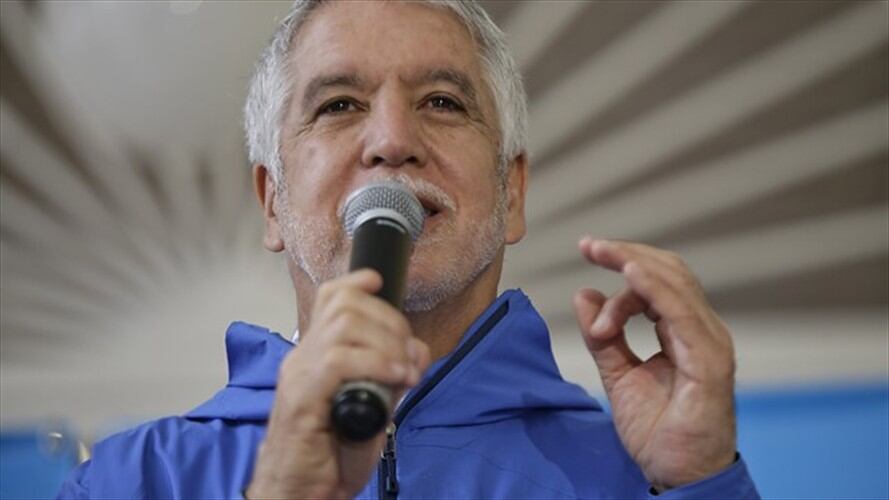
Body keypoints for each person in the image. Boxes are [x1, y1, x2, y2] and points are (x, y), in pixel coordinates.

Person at [58, 1, 759, 498]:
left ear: (510, 191)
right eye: (338, 105)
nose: (392, 140)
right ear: (272, 201)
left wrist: (702, 484)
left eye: (441, 103)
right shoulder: (131, 482)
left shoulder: (644, 474)